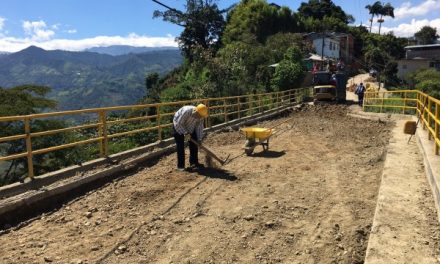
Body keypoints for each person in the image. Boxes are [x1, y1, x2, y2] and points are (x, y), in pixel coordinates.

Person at [173, 104, 208, 171]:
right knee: (180, 146)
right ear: (196, 112)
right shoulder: (186, 111)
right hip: (178, 128)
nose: (200, 117)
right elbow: (179, 124)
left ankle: (194, 163)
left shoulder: (201, 116)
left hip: (190, 128)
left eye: (201, 116)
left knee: (194, 145)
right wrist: (185, 133)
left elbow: (199, 127)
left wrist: (199, 139)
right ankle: (181, 166)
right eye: (199, 115)